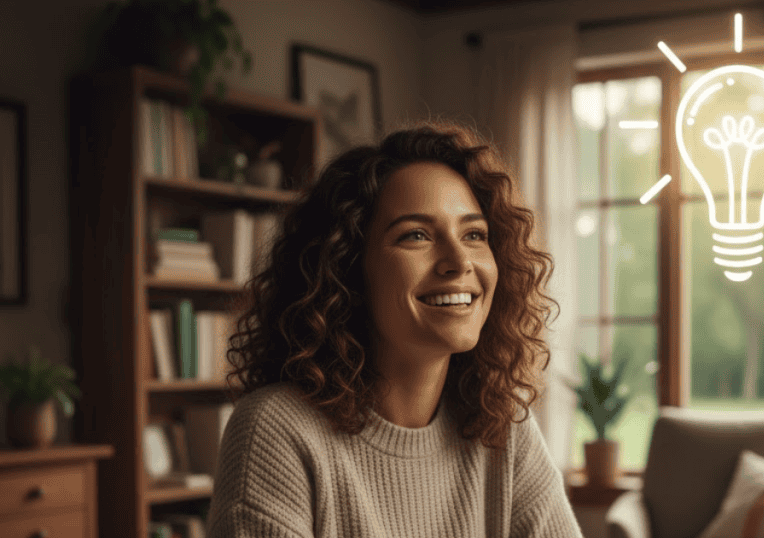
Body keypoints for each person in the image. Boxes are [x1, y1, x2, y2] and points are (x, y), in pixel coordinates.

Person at [206, 120, 584, 538]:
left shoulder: (503, 428)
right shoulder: (276, 430)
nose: (459, 262)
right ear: (346, 269)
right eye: (416, 235)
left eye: (474, 234)